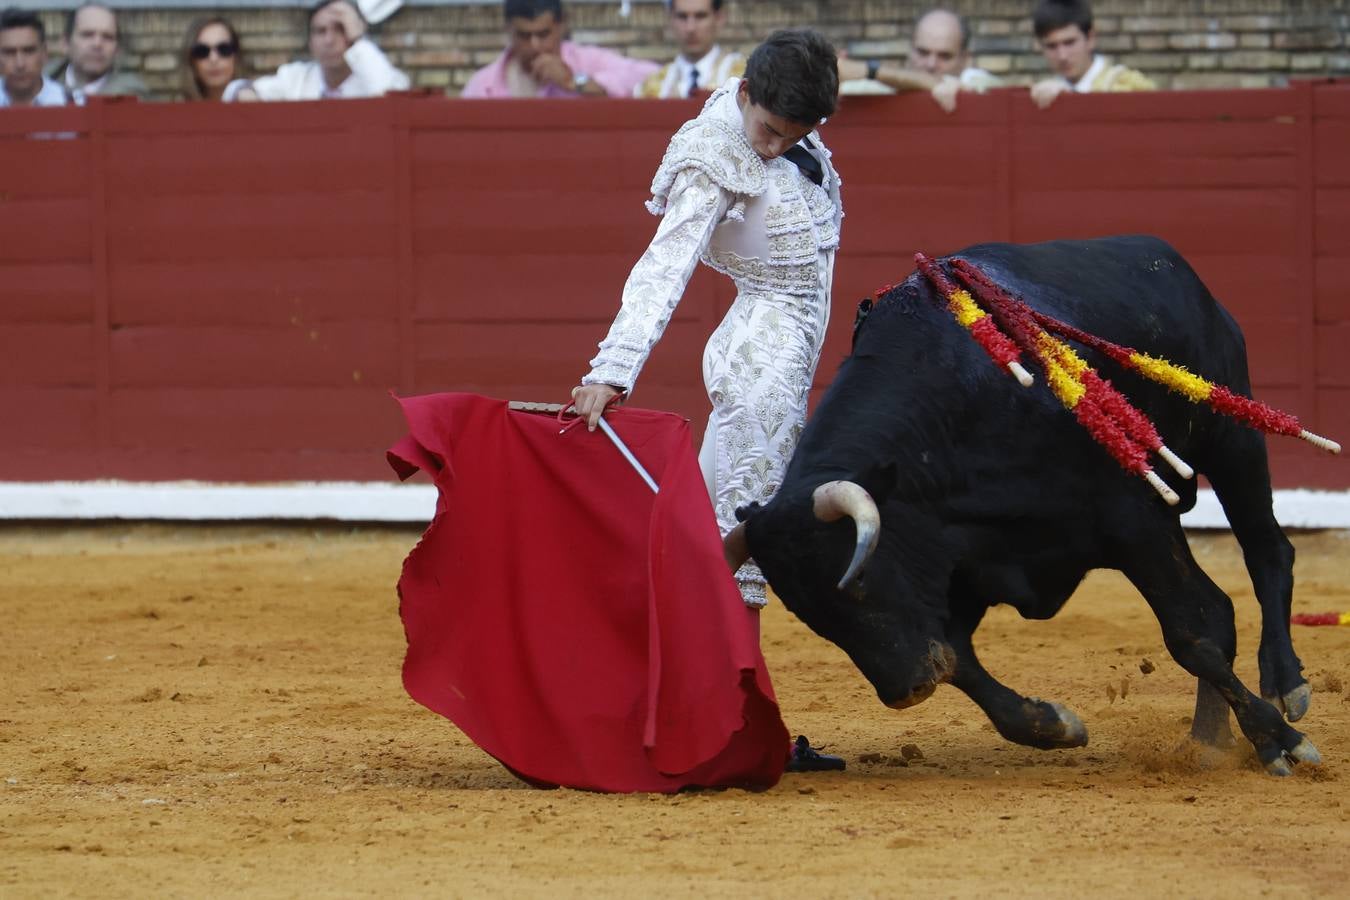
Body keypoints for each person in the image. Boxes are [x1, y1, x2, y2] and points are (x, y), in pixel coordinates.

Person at [570, 29, 847, 770]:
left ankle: (687, 709)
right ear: (745, 94)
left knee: (713, 540)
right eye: (767, 131)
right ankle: (735, 729)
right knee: (744, 538)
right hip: (763, 355)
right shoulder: (713, 154)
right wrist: (613, 369)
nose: (772, 149)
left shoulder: (773, 119)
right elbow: (664, 266)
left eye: (793, 138)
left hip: (769, 342)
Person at [463, 0, 656, 99]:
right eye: (524, 36)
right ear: (508, 30)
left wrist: (574, 82)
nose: (535, 45)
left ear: (561, 26)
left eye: (543, 34)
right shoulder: (482, 85)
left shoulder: (585, 62)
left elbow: (652, 76)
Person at [838, 8, 1000, 112]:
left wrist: (870, 70)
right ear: (910, 51)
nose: (930, 64)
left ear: (965, 59)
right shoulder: (874, 89)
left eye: (944, 56)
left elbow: (989, 91)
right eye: (923, 53)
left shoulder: (978, 83)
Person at [246, 0, 408, 101]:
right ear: (310, 42)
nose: (329, 40)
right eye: (320, 31)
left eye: (340, 29)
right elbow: (239, 90)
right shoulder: (295, 79)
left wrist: (358, 40)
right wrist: (243, 93)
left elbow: (394, 97)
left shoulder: (373, 77)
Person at [1029, 0, 1154, 108]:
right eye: (1051, 46)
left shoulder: (1130, 86)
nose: (1063, 56)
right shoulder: (1042, 95)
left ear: (1090, 38)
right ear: (1040, 47)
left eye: (1070, 42)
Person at [634, 0, 744, 99]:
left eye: (700, 16)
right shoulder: (651, 87)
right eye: (682, 16)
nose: (690, 28)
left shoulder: (742, 77)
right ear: (670, 18)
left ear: (719, 18)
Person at [46, 3, 147, 104]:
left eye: (107, 37)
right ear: (65, 44)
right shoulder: (37, 90)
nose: (97, 44)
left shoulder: (135, 98)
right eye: (87, 35)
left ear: (117, 50)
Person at [0, 8, 68, 107]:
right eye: (9, 52)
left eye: (29, 51)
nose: (20, 64)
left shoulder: (70, 103)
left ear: (44, 53)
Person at [179, 16, 248, 102]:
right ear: (191, 61)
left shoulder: (260, 99)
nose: (213, 59)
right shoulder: (178, 114)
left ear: (236, 56)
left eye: (224, 49)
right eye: (202, 51)